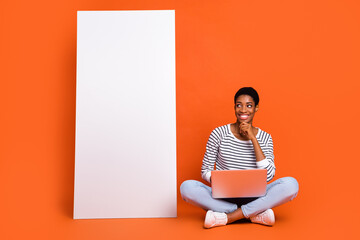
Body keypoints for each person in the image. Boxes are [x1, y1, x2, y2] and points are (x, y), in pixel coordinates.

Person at [180, 87, 299, 228]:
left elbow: (269, 176)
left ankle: (229, 217)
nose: (243, 110)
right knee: (186, 187)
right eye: (239, 105)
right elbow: (205, 169)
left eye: (249, 105)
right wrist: (219, 180)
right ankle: (253, 214)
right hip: (224, 197)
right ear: (234, 107)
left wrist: (253, 139)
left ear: (256, 108)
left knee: (291, 185)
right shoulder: (218, 133)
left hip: (256, 196)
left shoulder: (266, 137)